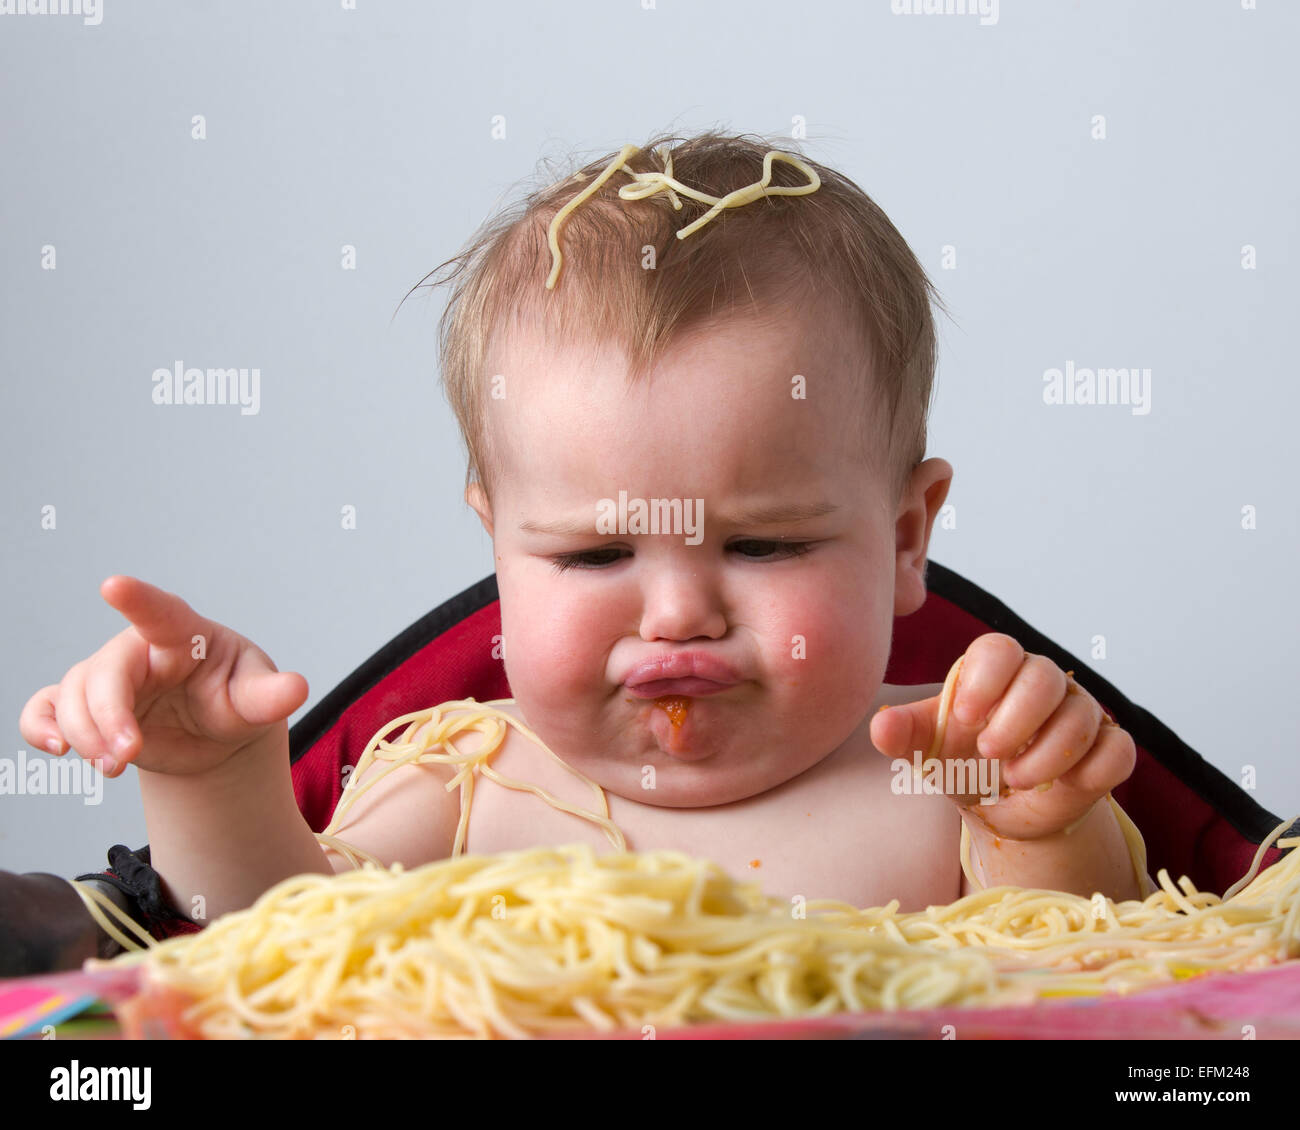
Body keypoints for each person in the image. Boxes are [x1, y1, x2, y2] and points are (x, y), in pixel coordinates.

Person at [18, 130, 1146, 927]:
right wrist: (215, 779)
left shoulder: (946, 773)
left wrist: (1045, 826)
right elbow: (269, 941)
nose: (675, 612)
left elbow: (1115, 970)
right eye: (596, 553)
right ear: (499, 546)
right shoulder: (469, 780)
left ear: (906, 540)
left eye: (762, 545)